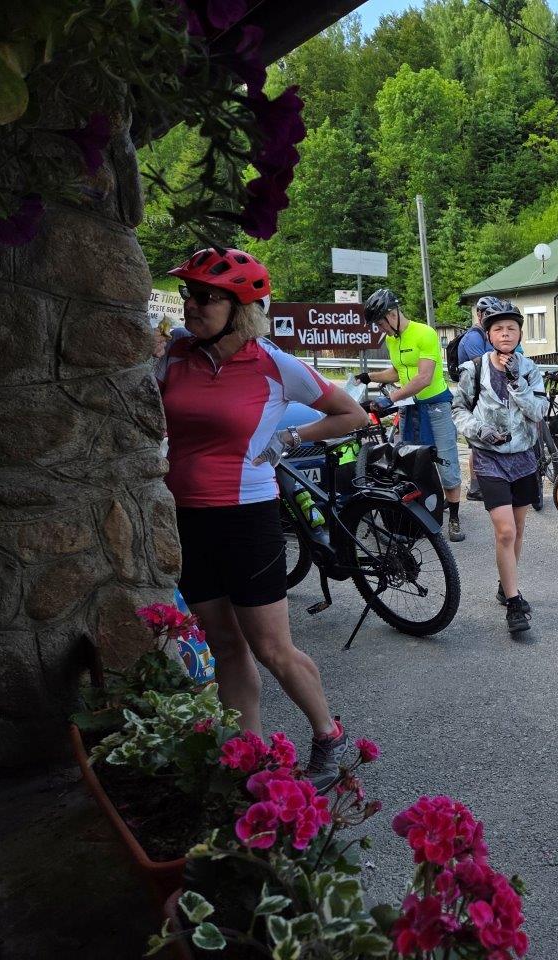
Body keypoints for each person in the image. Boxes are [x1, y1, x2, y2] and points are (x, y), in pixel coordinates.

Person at [157, 247, 368, 790]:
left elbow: (352, 413)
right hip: (187, 519)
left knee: (271, 648)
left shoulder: (273, 364)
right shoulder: (175, 354)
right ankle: (249, 758)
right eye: (188, 294)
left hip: (247, 519)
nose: (191, 305)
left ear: (241, 310)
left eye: (206, 297)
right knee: (224, 646)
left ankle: (329, 736)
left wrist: (291, 437)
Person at [451, 299, 548, 635]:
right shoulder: (474, 369)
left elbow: (539, 412)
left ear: (519, 334)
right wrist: (480, 430)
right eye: (498, 329)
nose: (505, 333)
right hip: (489, 459)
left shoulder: (530, 369)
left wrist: (517, 383)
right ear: (489, 335)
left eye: (511, 328)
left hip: (523, 459)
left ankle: (505, 586)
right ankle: (514, 603)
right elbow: (458, 410)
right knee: (505, 531)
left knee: (517, 530)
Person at [357, 288, 466, 543]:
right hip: (410, 407)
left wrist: (391, 398)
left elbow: (424, 377)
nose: (381, 329)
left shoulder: (424, 333)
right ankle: (422, 511)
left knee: (447, 462)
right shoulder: (392, 340)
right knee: (411, 461)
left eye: (381, 323)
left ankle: (454, 517)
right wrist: (369, 377)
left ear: (392, 314)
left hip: (436, 406)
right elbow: (398, 372)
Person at [458, 296, 504, 502]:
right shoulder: (473, 338)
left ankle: (486, 481)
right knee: (477, 443)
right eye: (488, 313)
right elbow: (485, 366)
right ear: (479, 314)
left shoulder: (488, 335)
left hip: (488, 393)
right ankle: (475, 487)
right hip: (475, 394)